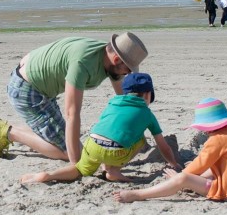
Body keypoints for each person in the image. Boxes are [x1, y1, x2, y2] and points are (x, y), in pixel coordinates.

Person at [0, 32, 149, 164]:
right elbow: (72, 113)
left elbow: (123, 100)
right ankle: (7, 132)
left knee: (65, 140)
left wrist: (136, 135)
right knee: (68, 152)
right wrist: (77, 164)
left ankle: (5, 130)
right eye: (128, 69)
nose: (128, 74)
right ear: (117, 58)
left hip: (37, 84)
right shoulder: (83, 62)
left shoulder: (106, 56)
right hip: (27, 91)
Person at [20, 73, 181, 185]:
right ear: (147, 94)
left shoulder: (113, 102)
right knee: (140, 139)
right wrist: (173, 163)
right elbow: (163, 145)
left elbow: (106, 125)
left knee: (79, 169)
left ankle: (49, 176)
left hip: (92, 144)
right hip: (116, 152)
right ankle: (114, 171)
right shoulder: (147, 113)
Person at [114, 98, 227, 203]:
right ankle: (188, 182)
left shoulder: (217, 139)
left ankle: (138, 195)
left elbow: (197, 166)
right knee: (213, 167)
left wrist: (178, 177)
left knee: (183, 179)